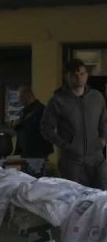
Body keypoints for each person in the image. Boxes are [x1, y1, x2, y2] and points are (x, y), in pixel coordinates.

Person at [42, 59, 107, 188]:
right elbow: (46, 127)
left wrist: (103, 138)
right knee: (74, 198)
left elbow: (104, 120)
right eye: (74, 75)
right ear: (67, 77)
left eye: (82, 73)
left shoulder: (97, 97)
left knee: (101, 197)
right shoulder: (58, 101)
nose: (79, 77)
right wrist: (65, 145)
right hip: (72, 161)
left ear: (87, 75)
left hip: (97, 159)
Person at [13, 86, 50, 172]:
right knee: (25, 178)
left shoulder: (41, 110)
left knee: (34, 179)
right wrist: (15, 124)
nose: (19, 101)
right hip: (26, 151)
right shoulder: (25, 111)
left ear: (28, 95)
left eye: (21, 98)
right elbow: (22, 125)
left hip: (37, 152)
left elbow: (45, 130)